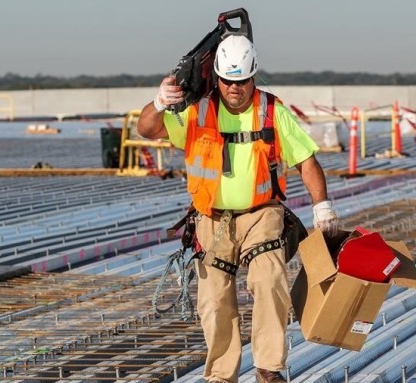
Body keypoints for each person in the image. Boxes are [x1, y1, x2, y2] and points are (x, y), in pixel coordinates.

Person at [137, 35, 339, 383]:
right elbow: (147, 128)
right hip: (211, 218)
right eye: (228, 81)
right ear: (216, 77)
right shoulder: (197, 111)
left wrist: (323, 207)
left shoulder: (271, 110)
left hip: (262, 213)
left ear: (253, 76)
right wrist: (158, 102)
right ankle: (220, 376)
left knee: (269, 280)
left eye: (242, 80)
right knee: (214, 301)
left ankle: (269, 369)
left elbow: (306, 160)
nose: (235, 88)